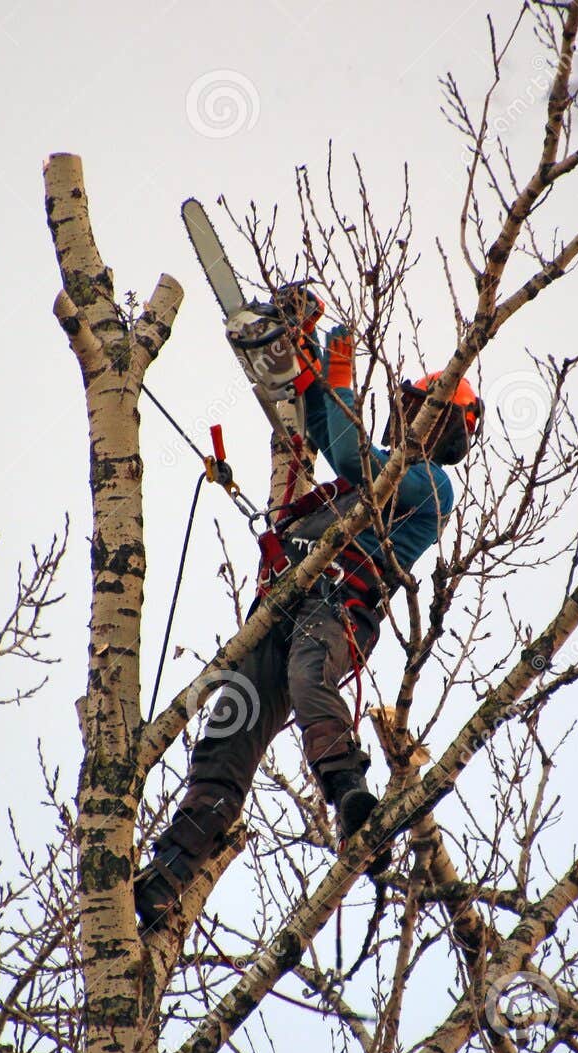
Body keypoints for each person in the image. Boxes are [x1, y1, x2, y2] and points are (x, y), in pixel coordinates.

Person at [133, 313, 482, 931]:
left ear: (437, 420)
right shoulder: (373, 467)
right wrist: (312, 369)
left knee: (307, 677)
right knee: (227, 731)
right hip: (282, 605)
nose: (404, 409)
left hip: (336, 609)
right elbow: (328, 427)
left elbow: (345, 453)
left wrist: (340, 361)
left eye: (417, 404)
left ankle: (349, 794)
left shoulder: (428, 483)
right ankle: (168, 876)